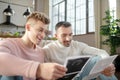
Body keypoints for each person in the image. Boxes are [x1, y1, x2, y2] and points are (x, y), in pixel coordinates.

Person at [0, 12, 67, 80]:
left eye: (45, 32)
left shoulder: (41, 51)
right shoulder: (9, 44)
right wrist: (38, 69)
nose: (43, 35)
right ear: (28, 27)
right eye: (40, 30)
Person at [43, 21, 117, 80]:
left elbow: (101, 52)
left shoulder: (77, 45)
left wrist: (108, 64)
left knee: (97, 59)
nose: (68, 39)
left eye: (70, 34)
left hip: (79, 77)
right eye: (64, 35)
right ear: (56, 36)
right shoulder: (48, 49)